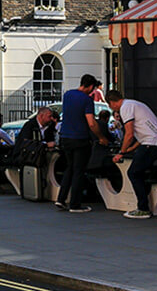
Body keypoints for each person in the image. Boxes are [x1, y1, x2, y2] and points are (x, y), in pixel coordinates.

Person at [106, 89, 157, 220]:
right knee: (139, 172)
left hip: (152, 143)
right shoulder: (134, 104)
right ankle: (144, 203)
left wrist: (122, 152)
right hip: (155, 142)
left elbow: (129, 134)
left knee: (133, 173)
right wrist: (130, 149)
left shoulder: (125, 108)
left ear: (112, 103)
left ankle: (143, 208)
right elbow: (142, 133)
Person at [55, 74, 108, 213]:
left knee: (69, 168)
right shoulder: (87, 100)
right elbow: (91, 123)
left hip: (65, 137)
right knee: (79, 171)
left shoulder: (67, 95)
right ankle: (75, 204)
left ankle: (61, 199)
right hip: (79, 138)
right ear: (91, 87)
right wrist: (101, 137)